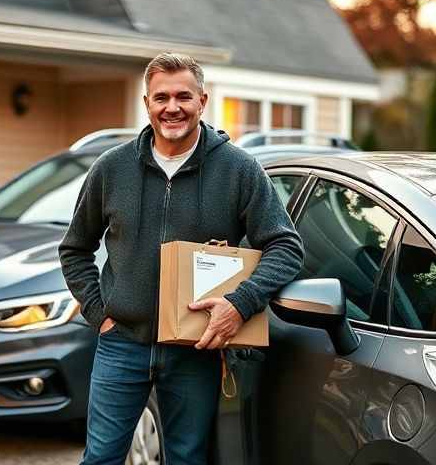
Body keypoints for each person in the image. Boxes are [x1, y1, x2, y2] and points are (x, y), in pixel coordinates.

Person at [59, 52, 304, 464]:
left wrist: (240, 304)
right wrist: (100, 312)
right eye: (161, 98)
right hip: (122, 343)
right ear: (147, 104)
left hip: (197, 348)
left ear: (202, 101)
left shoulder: (238, 169)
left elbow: (286, 247)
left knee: (187, 459)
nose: (172, 107)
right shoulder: (111, 168)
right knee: (100, 458)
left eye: (183, 97)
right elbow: (74, 248)